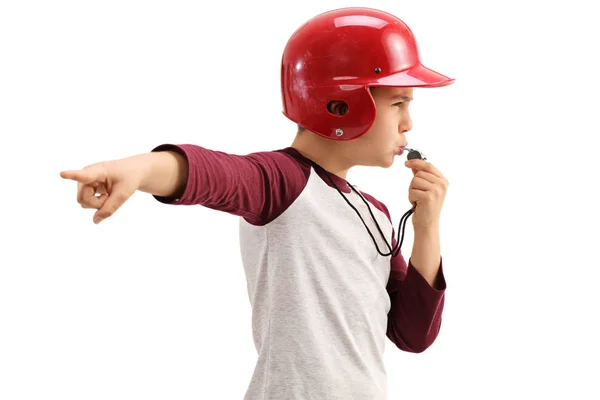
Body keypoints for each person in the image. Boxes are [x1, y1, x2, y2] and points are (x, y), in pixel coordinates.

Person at [60, 6, 454, 400]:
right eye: (398, 103)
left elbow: (413, 333)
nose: (409, 123)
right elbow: (217, 174)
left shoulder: (376, 215)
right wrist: (140, 169)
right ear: (340, 104)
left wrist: (427, 227)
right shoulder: (285, 183)